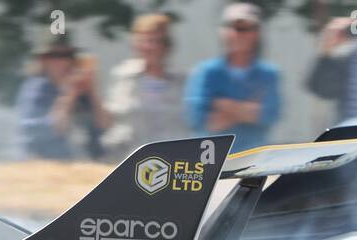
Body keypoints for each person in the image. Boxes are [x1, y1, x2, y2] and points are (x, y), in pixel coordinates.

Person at [185, 3, 280, 153]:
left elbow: (269, 115)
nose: (240, 34)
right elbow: (199, 120)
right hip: (211, 161)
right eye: (236, 28)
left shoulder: (269, 73)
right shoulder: (206, 72)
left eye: (247, 29)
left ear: (257, 33)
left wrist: (221, 104)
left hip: (254, 158)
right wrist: (248, 110)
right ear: (224, 32)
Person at [102, 13, 188, 158]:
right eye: (144, 41)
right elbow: (108, 120)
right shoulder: (123, 76)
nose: (150, 47)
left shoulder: (182, 81)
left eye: (156, 41)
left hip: (170, 159)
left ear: (167, 45)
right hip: (127, 158)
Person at [16, 34, 110, 161]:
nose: (61, 62)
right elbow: (56, 127)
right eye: (54, 56)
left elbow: (105, 124)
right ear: (43, 60)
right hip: (47, 163)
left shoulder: (82, 90)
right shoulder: (36, 89)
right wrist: (70, 94)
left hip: (85, 164)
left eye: (67, 56)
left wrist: (92, 90)